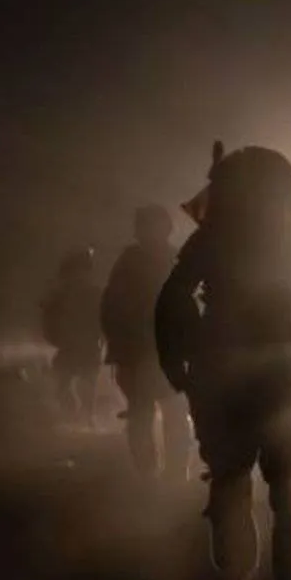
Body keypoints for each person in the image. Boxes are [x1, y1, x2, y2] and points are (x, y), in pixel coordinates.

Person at [155, 142, 291, 580]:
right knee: (289, 488)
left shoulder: (215, 238)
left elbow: (172, 300)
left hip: (231, 375)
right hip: (281, 375)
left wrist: (178, 361)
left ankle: (242, 572)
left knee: (234, 481)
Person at [101, 205, 192, 482]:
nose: (153, 232)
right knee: (143, 415)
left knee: (173, 414)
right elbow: (112, 307)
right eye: (148, 226)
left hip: (168, 351)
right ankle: (147, 473)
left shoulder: (179, 259)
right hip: (138, 352)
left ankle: (174, 475)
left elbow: (190, 303)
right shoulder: (130, 262)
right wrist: (117, 345)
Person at [41, 247, 104, 427]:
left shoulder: (95, 294)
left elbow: (106, 318)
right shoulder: (60, 297)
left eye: (82, 271)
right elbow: (48, 320)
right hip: (68, 347)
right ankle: (71, 417)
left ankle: (85, 419)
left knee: (86, 387)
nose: (79, 277)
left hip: (89, 347)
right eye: (75, 272)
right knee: (61, 385)